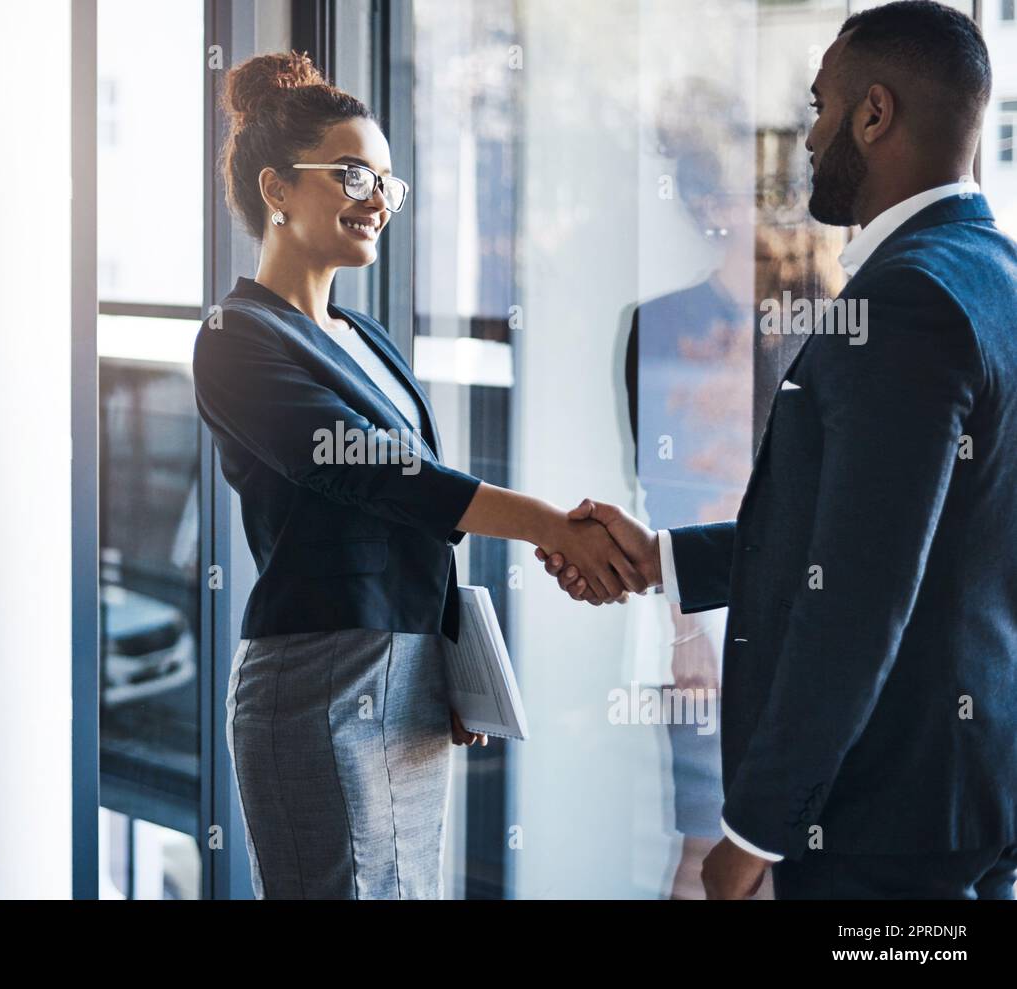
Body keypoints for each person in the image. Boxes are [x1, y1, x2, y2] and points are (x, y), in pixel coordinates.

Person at [541, 0, 1017, 899]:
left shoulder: (906, 301)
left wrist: (752, 832)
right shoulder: (991, 272)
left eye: (818, 106)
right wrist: (662, 561)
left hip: (887, 821)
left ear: (874, 114)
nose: (805, 138)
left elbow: (859, 597)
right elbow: (879, 538)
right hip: (968, 792)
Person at [193, 51, 644, 899]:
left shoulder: (370, 340)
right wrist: (551, 524)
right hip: (318, 679)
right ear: (277, 188)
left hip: (406, 684)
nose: (377, 200)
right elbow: (384, 476)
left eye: (388, 184)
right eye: (354, 174)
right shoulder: (235, 338)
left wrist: (448, 661)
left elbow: (418, 511)